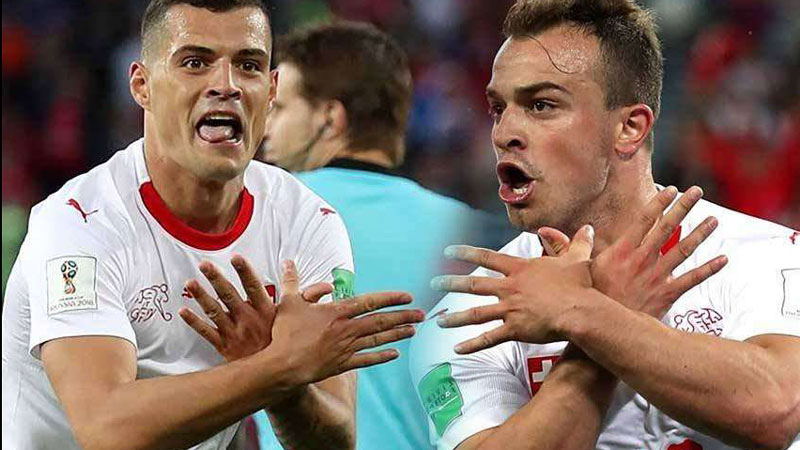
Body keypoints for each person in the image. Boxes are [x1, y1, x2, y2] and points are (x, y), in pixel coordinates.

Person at [1, 1, 425, 449]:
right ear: (142, 86)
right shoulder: (78, 223)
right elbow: (107, 430)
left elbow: (335, 443)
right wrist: (278, 366)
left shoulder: (307, 223)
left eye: (248, 65)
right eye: (195, 63)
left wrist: (285, 386)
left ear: (272, 89)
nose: (226, 85)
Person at [410, 0, 800, 449]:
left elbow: (778, 410)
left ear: (630, 128)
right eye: (498, 108)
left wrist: (585, 313)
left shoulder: (767, 255)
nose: (503, 133)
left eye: (541, 105)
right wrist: (604, 320)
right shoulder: (470, 314)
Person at [254, 21, 514, 450]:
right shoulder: (473, 235)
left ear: (329, 119)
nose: (265, 127)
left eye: (279, 108)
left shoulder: (258, 213)